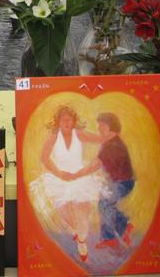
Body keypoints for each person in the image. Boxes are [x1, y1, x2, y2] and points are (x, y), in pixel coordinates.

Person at [29, 106, 104, 262]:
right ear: (58, 122)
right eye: (63, 120)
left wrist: (110, 137)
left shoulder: (79, 134)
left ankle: (82, 242)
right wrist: (59, 173)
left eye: (69, 120)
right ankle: (75, 232)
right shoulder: (53, 137)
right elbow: (45, 158)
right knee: (66, 215)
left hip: (79, 177)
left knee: (82, 211)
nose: (67, 123)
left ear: (74, 121)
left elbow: (99, 139)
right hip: (59, 178)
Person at [70, 112, 135, 250]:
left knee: (104, 204)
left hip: (123, 183)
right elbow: (96, 143)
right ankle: (111, 236)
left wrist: (76, 175)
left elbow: (95, 165)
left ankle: (122, 228)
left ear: (110, 126)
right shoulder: (110, 141)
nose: (99, 128)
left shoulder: (112, 145)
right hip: (116, 181)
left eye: (102, 125)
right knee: (104, 204)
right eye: (99, 125)